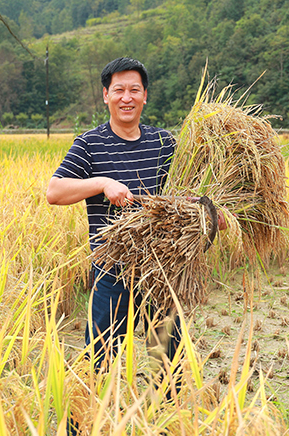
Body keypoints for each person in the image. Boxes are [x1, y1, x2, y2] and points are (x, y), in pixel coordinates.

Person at [46, 57, 181, 379]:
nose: (127, 97)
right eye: (118, 89)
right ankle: (87, 420)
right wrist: (102, 183)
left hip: (160, 271)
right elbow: (55, 191)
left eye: (135, 89)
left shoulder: (164, 143)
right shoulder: (90, 144)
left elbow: (184, 194)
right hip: (112, 272)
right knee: (99, 362)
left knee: (165, 364)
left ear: (145, 96)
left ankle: (162, 421)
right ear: (106, 95)